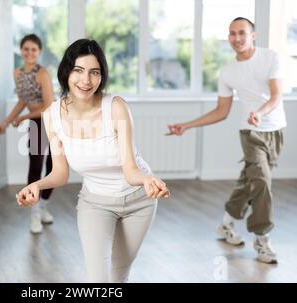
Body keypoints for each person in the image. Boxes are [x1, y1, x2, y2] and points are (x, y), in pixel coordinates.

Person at [16, 39, 170, 282]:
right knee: (98, 279)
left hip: (139, 201)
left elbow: (130, 169)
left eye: (94, 72)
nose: (86, 81)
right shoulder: (52, 115)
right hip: (95, 203)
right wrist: (36, 185)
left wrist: (148, 179)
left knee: (119, 274)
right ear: (66, 72)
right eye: (78, 71)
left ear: (102, 76)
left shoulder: (116, 107)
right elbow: (60, 174)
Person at [167, 17, 286, 264]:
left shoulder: (270, 57)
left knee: (250, 183)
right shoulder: (228, 72)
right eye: (232, 34)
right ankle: (262, 238)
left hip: (275, 131)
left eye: (242, 33)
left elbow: (276, 96)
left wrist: (260, 113)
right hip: (250, 134)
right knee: (262, 182)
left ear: (253, 35)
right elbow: (221, 112)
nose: (236, 38)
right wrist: (186, 126)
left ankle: (226, 225)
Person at [0, 34, 55, 234]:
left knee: (53, 168)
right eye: (26, 49)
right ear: (21, 51)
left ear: (39, 52)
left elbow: (48, 107)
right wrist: (6, 121)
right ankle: (34, 212)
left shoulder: (43, 73)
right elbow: (22, 101)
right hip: (36, 121)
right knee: (35, 165)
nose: (29, 53)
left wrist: (23, 118)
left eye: (34, 50)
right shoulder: (17, 73)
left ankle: (44, 205)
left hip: (53, 121)